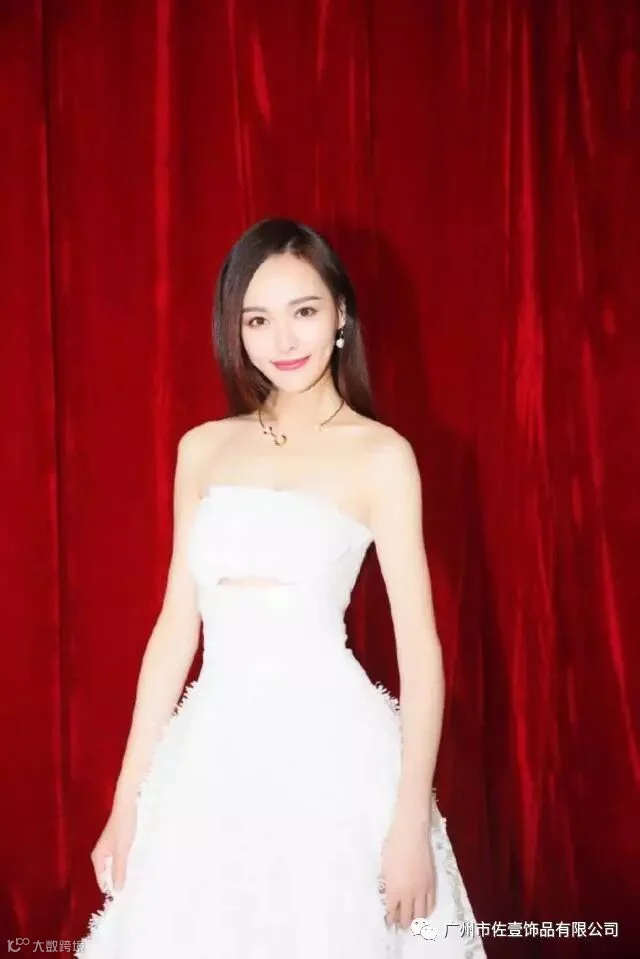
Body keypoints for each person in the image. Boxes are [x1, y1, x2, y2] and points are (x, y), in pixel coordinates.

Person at [75, 218, 487, 957]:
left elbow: (420, 652)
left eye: (304, 310)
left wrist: (408, 823)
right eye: (257, 319)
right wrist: (126, 798)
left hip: (333, 759)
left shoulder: (381, 456)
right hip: (209, 757)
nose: (283, 339)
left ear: (341, 314)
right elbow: (175, 630)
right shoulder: (203, 448)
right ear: (235, 329)